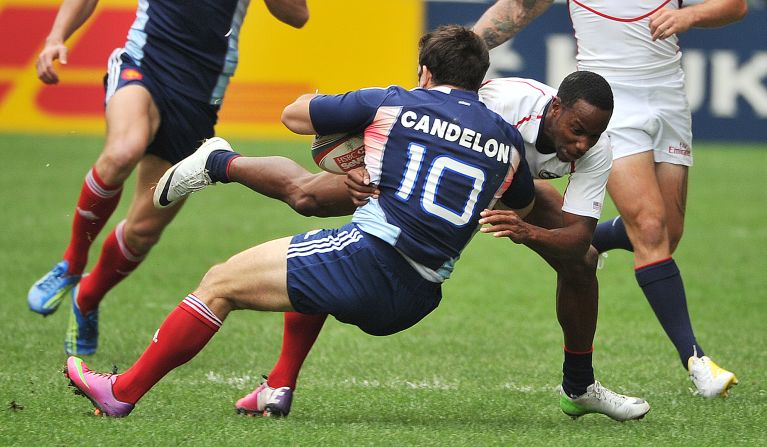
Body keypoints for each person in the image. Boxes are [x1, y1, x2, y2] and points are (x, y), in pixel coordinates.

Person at [64, 24, 541, 417]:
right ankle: (278, 387)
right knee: (315, 257)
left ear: (425, 71)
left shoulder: (397, 101)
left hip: (370, 260)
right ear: (481, 80)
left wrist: (366, 146)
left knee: (219, 283)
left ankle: (121, 391)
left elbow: (293, 116)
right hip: (419, 296)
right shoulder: (506, 140)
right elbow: (514, 209)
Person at [152, 70, 650, 421]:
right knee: (307, 199)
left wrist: (529, 232)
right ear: (555, 109)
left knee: (581, 260)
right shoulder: (503, 104)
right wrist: (366, 164)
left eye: (593, 136)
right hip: (426, 180)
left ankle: (579, 386)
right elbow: (423, 112)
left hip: (498, 193)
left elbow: (575, 236)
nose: (582, 144)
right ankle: (219, 163)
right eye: (577, 131)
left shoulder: (595, 148)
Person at [472, 0, 747, 398]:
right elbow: (519, 8)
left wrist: (689, 16)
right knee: (649, 228)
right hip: (607, 103)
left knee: (666, 234)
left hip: (669, 93)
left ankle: (590, 242)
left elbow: (736, 6)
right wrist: (461, 58)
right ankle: (697, 361)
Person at [28, 0, 310, 356]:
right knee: (123, 152)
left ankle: (87, 296)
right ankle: (72, 262)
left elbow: (297, 15)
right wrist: (56, 36)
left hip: (198, 95)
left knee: (143, 231)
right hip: (144, 62)